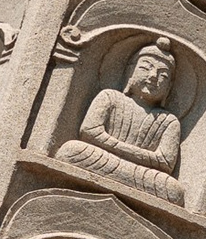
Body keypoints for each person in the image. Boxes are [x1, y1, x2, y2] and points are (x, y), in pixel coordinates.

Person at [59, 40, 186, 202]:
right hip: (101, 157)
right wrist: (129, 152)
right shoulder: (109, 97)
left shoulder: (169, 121)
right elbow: (89, 132)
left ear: (168, 87)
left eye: (163, 75)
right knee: (71, 151)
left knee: (173, 190)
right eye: (145, 68)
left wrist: (123, 152)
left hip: (139, 173)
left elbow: (165, 162)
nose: (153, 77)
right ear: (131, 72)